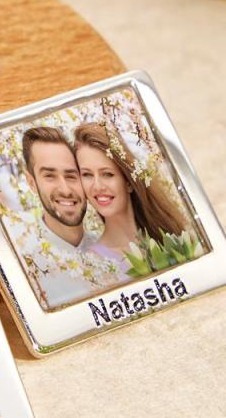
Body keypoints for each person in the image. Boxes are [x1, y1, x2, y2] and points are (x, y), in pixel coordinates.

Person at [72, 121, 187, 279]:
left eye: (107, 174)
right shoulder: (94, 265)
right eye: (87, 174)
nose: (97, 186)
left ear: (128, 182)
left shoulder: (171, 237)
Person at [19, 126, 103, 308]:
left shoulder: (112, 250)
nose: (65, 190)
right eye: (50, 176)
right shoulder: (25, 265)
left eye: (71, 176)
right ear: (32, 183)